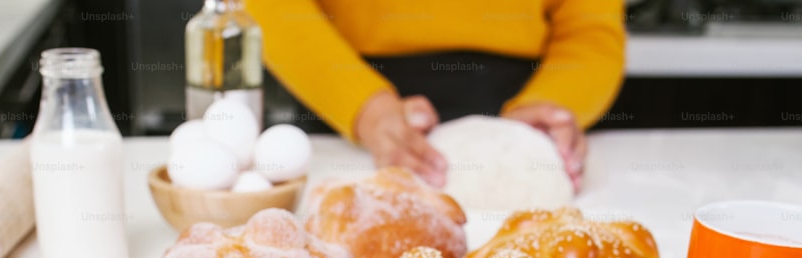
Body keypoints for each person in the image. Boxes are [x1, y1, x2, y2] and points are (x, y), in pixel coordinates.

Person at [245, 0, 626, 191]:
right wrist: (365, 108)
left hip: (523, 105)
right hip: (345, 106)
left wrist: (556, 100)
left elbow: (591, 29)